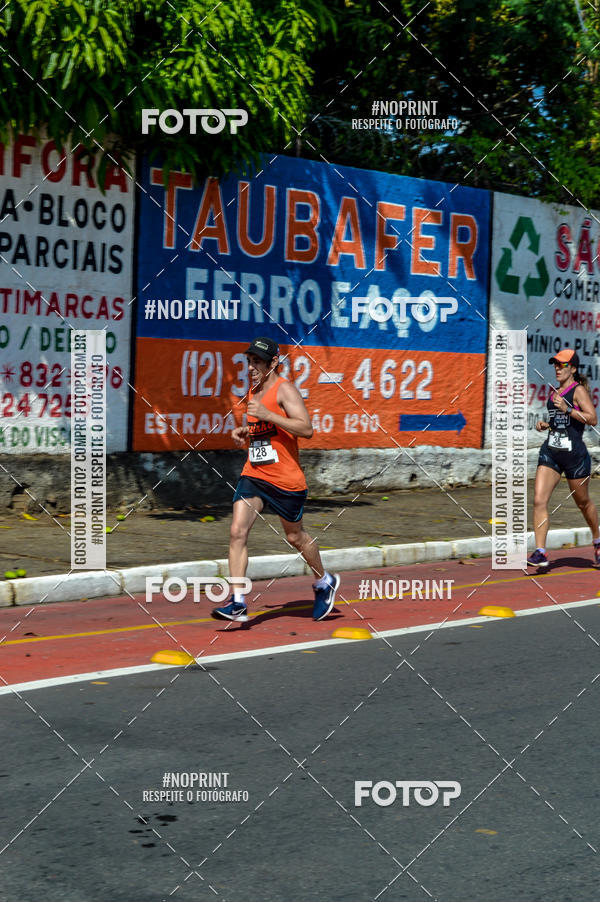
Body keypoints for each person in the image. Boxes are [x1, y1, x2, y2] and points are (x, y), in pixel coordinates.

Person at [212, 336, 340, 622]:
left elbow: (305, 429)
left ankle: (324, 581)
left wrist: (268, 414)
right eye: (249, 361)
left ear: (274, 363)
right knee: (237, 531)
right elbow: (268, 432)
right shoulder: (254, 392)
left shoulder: (286, 390)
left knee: (295, 536)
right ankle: (238, 602)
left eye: (257, 362)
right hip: (255, 474)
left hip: (285, 480)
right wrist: (246, 432)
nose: (252, 367)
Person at [528, 348, 600, 569]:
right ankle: (540, 552)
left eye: (563, 365)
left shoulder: (577, 391)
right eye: (555, 364)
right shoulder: (555, 393)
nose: (557, 368)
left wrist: (568, 409)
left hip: (575, 457)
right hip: (551, 452)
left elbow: (592, 419)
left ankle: (597, 539)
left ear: (573, 369)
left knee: (583, 503)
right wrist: (546, 425)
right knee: (539, 500)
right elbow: (561, 423)